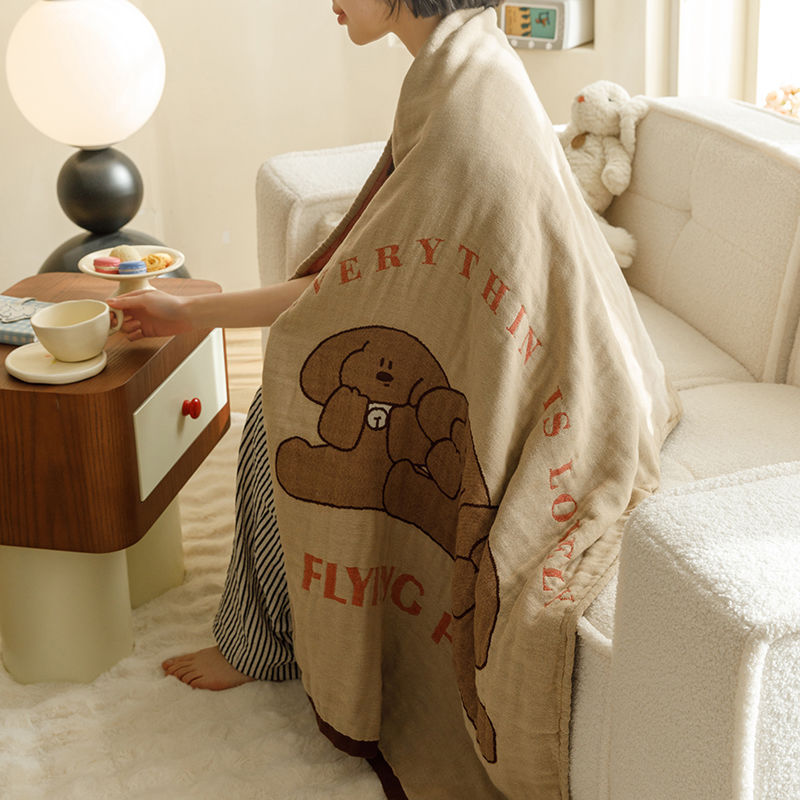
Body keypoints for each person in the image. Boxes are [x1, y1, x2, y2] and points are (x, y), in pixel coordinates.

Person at [109, 0, 501, 693]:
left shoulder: (456, 105)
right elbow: (361, 276)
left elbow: (353, 289)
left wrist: (191, 313)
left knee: (279, 412)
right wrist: (189, 311)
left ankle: (259, 647)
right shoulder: (467, 64)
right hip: (490, 345)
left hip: (496, 374)